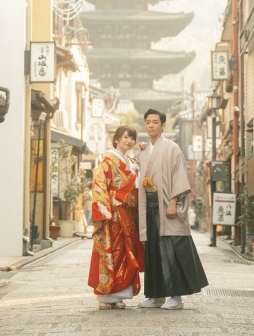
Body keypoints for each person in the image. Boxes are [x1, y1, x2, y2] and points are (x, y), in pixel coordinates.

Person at [137, 109, 208, 310]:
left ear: (163, 126)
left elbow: (179, 176)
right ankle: (155, 295)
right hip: (149, 207)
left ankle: (176, 297)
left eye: (155, 122)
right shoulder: (143, 150)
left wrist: (173, 202)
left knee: (171, 251)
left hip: (167, 206)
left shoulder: (172, 148)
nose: (151, 125)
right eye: (148, 122)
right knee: (153, 252)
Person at [87, 125, 145, 310]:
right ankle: (105, 296)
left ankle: (119, 294)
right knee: (112, 251)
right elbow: (99, 184)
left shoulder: (132, 160)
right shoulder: (108, 159)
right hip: (113, 213)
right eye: (125, 137)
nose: (129, 141)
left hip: (128, 214)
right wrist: (104, 211)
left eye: (132, 138)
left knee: (126, 251)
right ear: (116, 139)